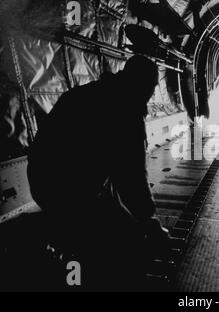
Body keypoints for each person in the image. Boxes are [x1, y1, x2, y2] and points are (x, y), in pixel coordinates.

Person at [27, 55, 170, 290]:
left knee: (102, 215)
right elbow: (130, 176)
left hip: (42, 181)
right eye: (152, 87)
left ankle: (66, 243)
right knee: (128, 240)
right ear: (143, 84)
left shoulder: (87, 93)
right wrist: (149, 221)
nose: (152, 94)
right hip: (72, 191)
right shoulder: (126, 109)